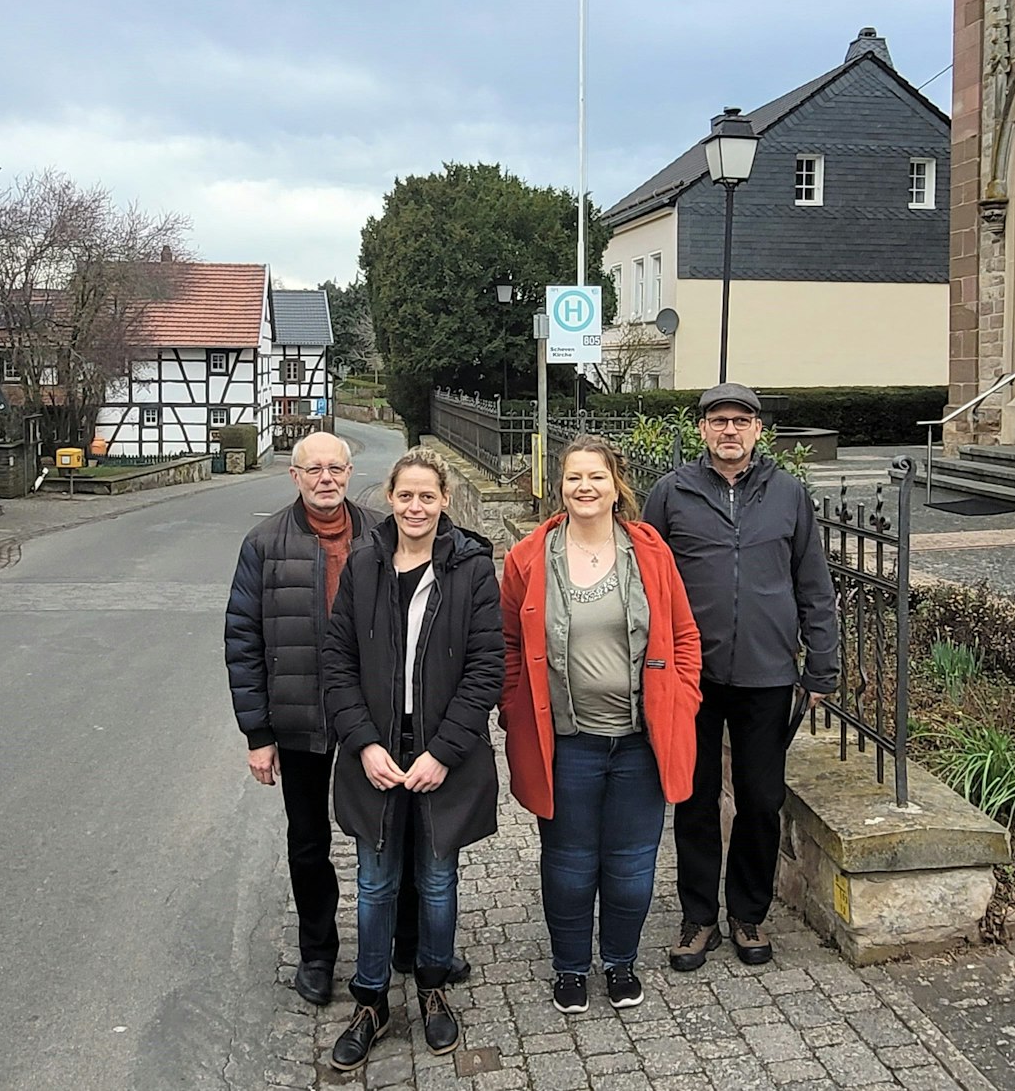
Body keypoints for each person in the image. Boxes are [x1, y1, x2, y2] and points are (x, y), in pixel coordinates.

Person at [223, 433, 468, 1008]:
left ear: (352, 471)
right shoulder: (262, 543)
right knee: (309, 841)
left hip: (377, 715)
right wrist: (258, 733)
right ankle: (318, 952)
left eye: (336, 468)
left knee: (399, 831)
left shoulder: (380, 534)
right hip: (301, 715)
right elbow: (242, 640)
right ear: (295, 475)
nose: (326, 478)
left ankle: (410, 943)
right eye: (314, 469)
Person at [500, 435, 702, 1015]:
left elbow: (684, 636)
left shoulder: (651, 553)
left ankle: (620, 963)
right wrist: (515, 706)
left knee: (633, 862)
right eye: (573, 478)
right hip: (566, 743)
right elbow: (509, 644)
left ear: (617, 485)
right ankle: (570, 968)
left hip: (640, 742)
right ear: (559, 487)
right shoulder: (530, 558)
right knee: (568, 863)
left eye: (596, 477)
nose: (584, 487)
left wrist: (681, 699)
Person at [642, 383, 839, 971]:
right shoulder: (672, 493)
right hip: (690, 676)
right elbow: (647, 583)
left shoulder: (788, 495)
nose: (730, 430)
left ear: (758, 430)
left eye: (741, 420)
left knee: (761, 798)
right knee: (695, 799)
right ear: (702, 429)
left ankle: (747, 912)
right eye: (719, 420)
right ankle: (699, 916)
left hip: (767, 671)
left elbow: (814, 584)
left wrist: (822, 663)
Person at [320, 448, 503, 1072]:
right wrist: (364, 743)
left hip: (439, 755)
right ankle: (369, 1000)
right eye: (406, 496)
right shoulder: (364, 566)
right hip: (376, 749)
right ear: (389, 499)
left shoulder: (474, 569)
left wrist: (444, 753)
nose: (416, 507)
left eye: (428, 496)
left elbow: (485, 672)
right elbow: (336, 663)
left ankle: (432, 986)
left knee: (435, 878)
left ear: (445, 500)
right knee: (373, 882)